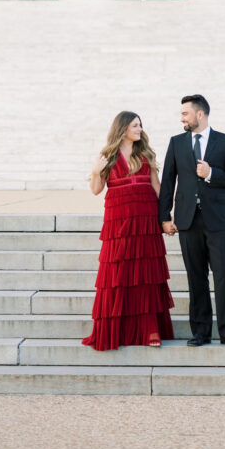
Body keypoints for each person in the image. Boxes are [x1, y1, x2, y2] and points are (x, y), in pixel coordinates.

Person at [158, 94, 225, 347]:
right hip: (187, 221)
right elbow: (167, 182)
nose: (181, 118)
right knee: (195, 278)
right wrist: (164, 217)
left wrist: (212, 174)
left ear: (200, 114)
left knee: (223, 276)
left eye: (185, 113)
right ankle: (201, 332)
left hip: (218, 222)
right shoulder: (176, 143)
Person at [83, 111, 174, 350]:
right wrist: (95, 171)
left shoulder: (145, 154)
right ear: (122, 128)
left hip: (145, 221)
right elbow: (95, 189)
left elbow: (158, 189)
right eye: (135, 125)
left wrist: (166, 217)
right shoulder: (108, 156)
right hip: (119, 223)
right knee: (118, 275)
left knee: (146, 275)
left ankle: (150, 328)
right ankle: (117, 328)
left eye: (140, 125)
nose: (139, 129)